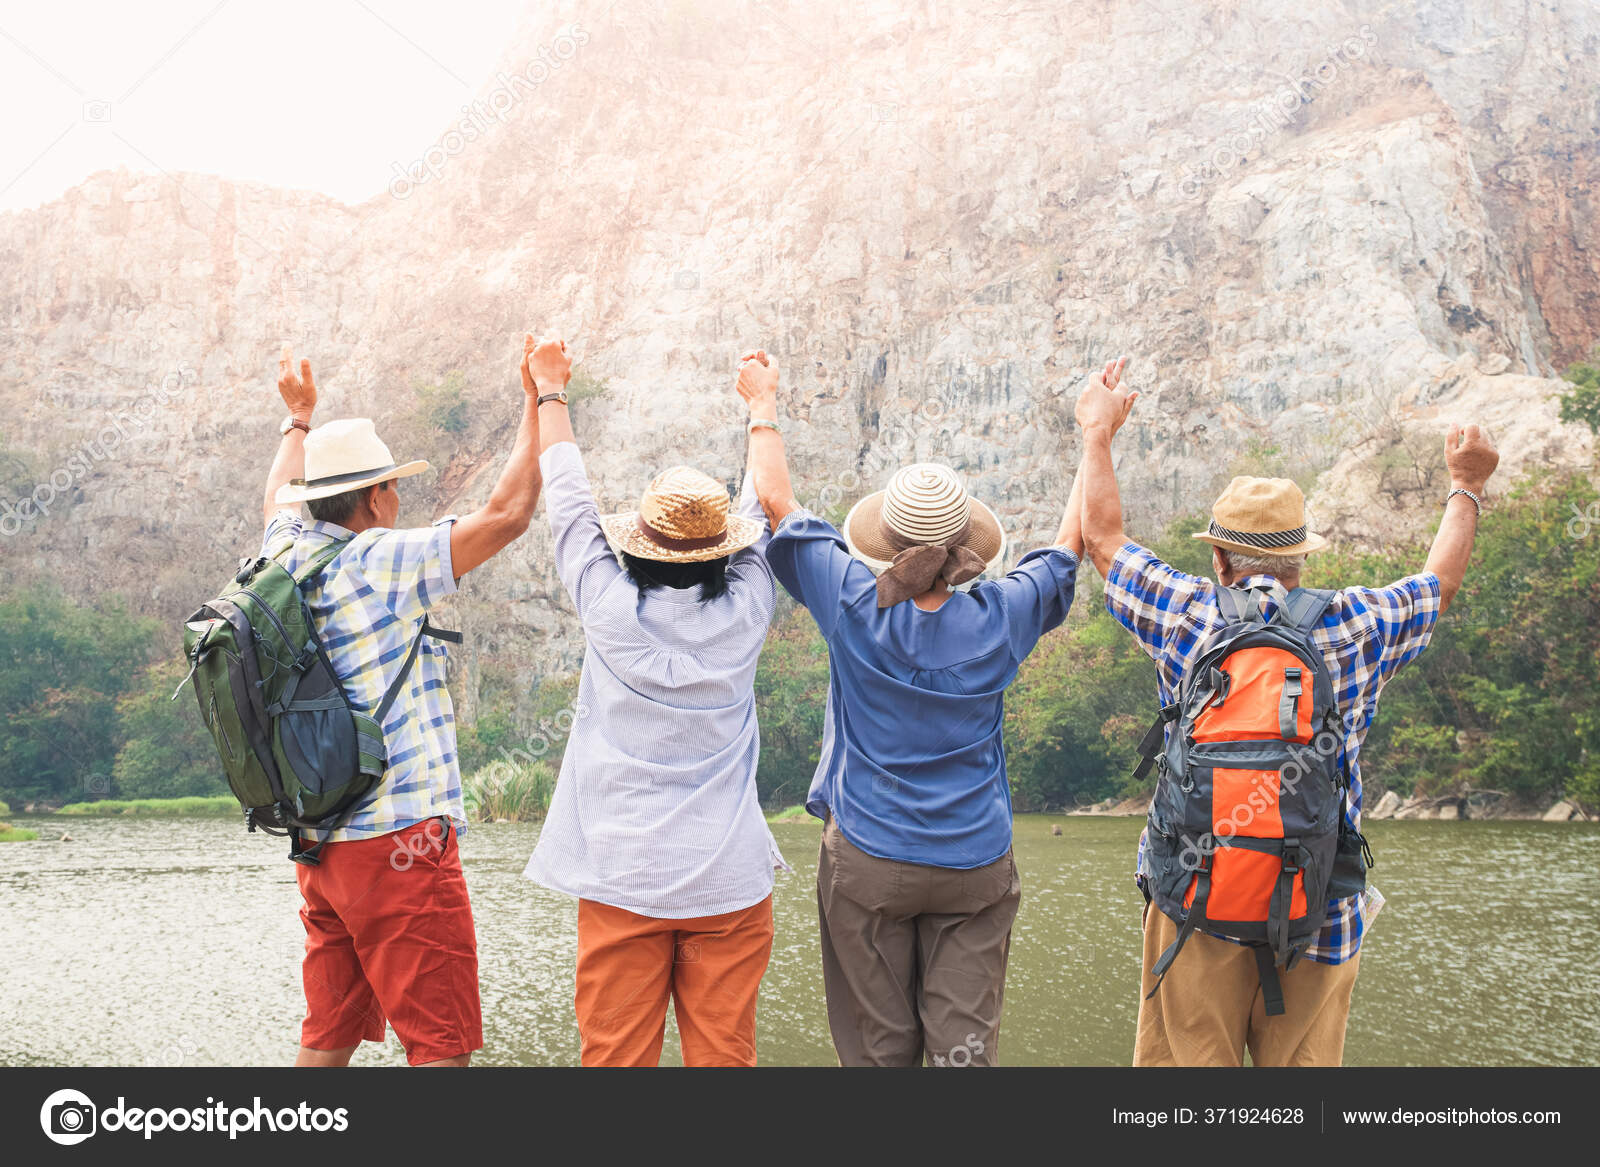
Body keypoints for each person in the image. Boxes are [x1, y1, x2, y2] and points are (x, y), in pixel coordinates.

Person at [1074, 356, 1501, 1066]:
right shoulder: (1358, 625)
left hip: (1194, 906)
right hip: (1318, 911)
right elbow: (1439, 584)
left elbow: (1103, 540)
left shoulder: (1185, 614)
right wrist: (1467, 486)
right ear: (1300, 558)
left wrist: (1098, 432)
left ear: (1219, 560)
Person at [737, 348, 1084, 1067]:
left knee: (877, 1052)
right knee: (964, 1054)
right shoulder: (1002, 616)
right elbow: (1067, 549)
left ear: (884, 543)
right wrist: (1096, 437)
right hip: (974, 861)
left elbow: (775, 500)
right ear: (964, 548)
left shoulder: (850, 602)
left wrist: (762, 403)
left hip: (870, 858)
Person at [263, 335, 550, 1067]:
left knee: (327, 1033)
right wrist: (538, 401)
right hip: (399, 844)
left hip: (320, 845)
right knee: (438, 1043)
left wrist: (298, 421)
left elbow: (275, 497)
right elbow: (508, 515)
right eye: (391, 488)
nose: (398, 500)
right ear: (373, 497)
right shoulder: (377, 559)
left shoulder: (281, 554)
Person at [522, 341, 786, 1068]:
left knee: (615, 1061)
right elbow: (763, 505)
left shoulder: (606, 607)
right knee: (725, 1059)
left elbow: (569, 502)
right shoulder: (747, 611)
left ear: (636, 547)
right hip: (729, 882)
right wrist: (762, 404)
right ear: (724, 552)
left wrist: (551, 390)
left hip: (623, 879)